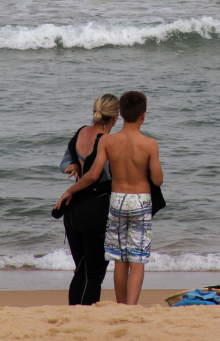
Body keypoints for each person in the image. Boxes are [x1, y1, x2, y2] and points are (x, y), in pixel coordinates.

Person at [56, 91, 163, 305]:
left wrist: (71, 189)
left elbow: (90, 172)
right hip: (133, 203)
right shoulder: (149, 144)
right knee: (135, 261)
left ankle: (119, 305)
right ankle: (129, 308)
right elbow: (157, 180)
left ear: (121, 115)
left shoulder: (102, 140)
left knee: (116, 261)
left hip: (108, 204)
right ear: (143, 115)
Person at [58, 93, 120, 305]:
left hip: (73, 211)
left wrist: (74, 166)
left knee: (81, 270)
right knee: (94, 274)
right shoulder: (109, 141)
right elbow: (105, 175)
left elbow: (65, 162)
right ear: (115, 117)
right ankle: (86, 316)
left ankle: (73, 313)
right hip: (96, 209)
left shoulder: (81, 132)